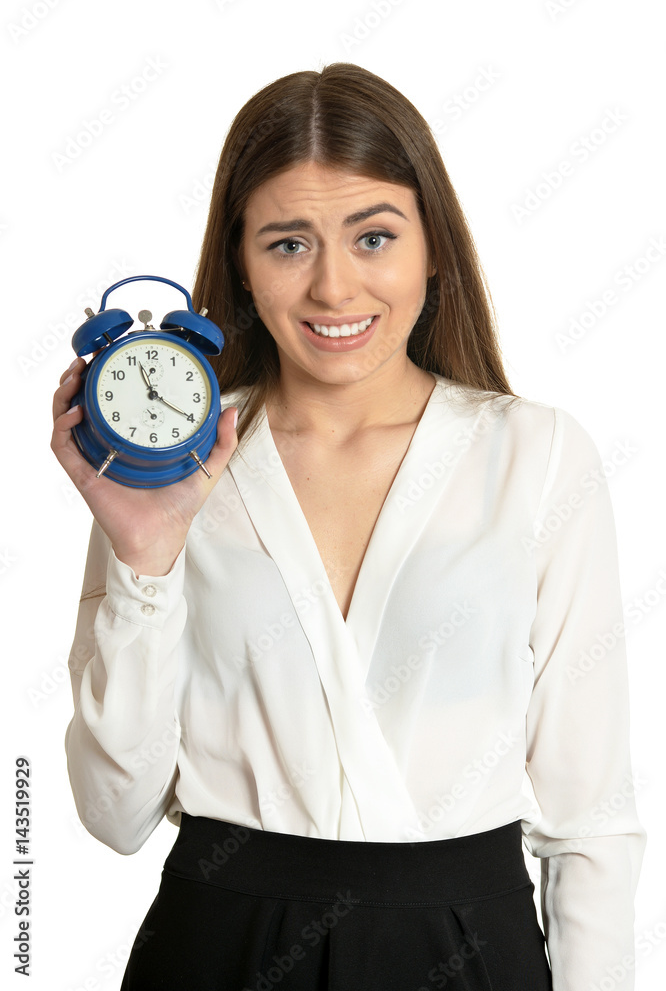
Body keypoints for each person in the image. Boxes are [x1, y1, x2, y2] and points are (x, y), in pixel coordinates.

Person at [52, 62, 645, 991]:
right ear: (240, 265)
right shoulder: (177, 463)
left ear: (434, 247)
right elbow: (115, 814)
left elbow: (592, 818)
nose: (334, 287)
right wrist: (143, 558)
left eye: (374, 236)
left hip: (469, 950)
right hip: (217, 947)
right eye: (288, 244)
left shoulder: (534, 456)